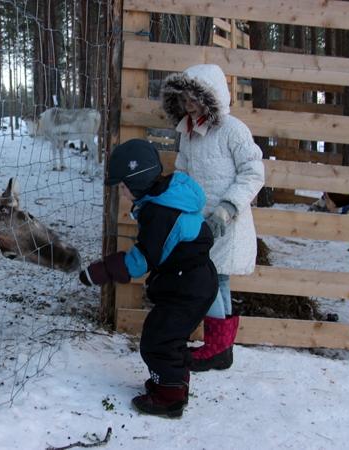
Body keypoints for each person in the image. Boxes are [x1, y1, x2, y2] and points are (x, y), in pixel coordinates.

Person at [79, 139, 218, 418]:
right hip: (192, 281)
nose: (123, 192)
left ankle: (169, 400)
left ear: (138, 181)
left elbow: (140, 261)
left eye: (123, 186)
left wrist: (103, 270)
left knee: (157, 340)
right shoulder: (165, 198)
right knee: (171, 336)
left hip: (188, 285)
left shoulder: (161, 212)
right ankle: (173, 385)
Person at [160, 64, 265, 372]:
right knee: (212, 278)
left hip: (226, 221)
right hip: (199, 222)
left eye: (194, 99)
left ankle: (218, 349)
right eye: (183, 99)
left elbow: (253, 170)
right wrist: (173, 203)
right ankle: (221, 349)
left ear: (211, 98)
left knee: (213, 278)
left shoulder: (233, 130)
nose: (188, 105)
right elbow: (183, 172)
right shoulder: (189, 133)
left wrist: (228, 207)